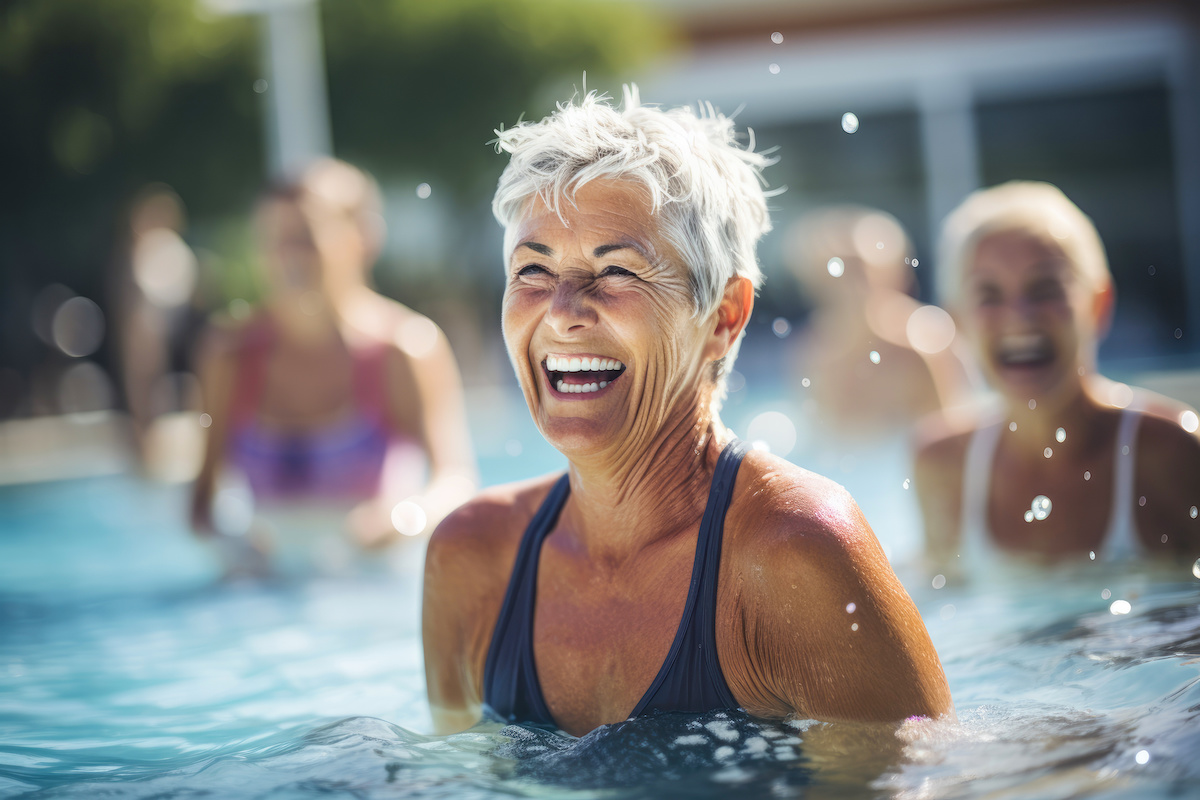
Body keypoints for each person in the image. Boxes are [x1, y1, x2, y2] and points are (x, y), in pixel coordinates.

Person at [422, 87, 952, 737]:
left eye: (615, 271)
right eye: (533, 270)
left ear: (724, 317)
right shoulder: (474, 559)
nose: (561, 312)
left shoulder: (796, 556)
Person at [191, 160, 476, 573]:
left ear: (363, 237)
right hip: (266, 585)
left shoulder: (405, 349)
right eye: (274, 238)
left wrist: (398, 521)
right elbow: (200, 506)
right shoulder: (228, 355)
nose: (287, 254)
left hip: (374, 583)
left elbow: (457, 485)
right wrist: (237, 546)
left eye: (304, 236)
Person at [914, 181, 1200, 578]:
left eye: (1045, 288)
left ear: (1098, 303)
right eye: (989, 294)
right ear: (959, 320)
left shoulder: (1169, 453)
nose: (1020, 316)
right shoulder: (943, 465)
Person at [785, 206, 974, 438]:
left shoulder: (923, 344)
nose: (847, 285)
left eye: (857, 270)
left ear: (893, 276)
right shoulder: (813, 350)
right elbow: (822, 442)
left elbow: (949, 444)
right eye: (836, 270)